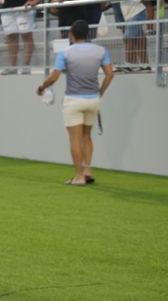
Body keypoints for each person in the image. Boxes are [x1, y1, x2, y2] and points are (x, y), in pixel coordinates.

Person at [36, 20, 114, 185]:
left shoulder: (65, 53)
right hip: (93, 99)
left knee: (75, 139)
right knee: (87, 136)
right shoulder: (101, 51)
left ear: (71, 35)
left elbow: (54, 77)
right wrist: (101, 91)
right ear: (88, 34)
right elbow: (109, 74)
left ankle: (79, 177)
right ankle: (87, 170)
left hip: (73, 100)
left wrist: (42, 87)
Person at [114, 0, 152, 68]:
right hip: (129, 15)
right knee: (139, 39)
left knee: (128, 38)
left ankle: (129, 64)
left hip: (137, 13)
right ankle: (145, 64)